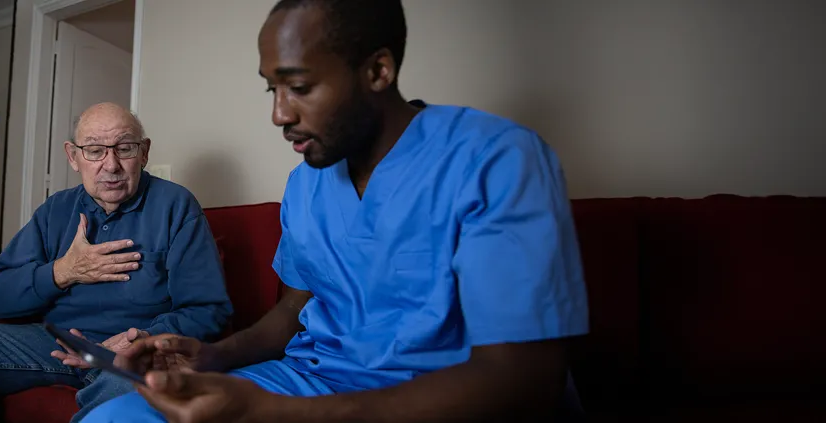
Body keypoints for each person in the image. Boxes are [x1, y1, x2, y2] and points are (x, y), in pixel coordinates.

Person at [81, 1, 589, 422]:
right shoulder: (307, 182)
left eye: (299, 87)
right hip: (311, 380)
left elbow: (523, 379)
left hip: (437, 399)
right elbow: (290, 312)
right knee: (113, 417)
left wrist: (274, 413)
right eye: (271, 89)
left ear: (377, 71)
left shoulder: (497, 160)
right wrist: (215, 355)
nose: (279, 114)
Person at [0, 103, 233, 423]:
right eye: (95, 150)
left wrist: (143, 340)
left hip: (131, 352)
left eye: (125, 148)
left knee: (130, 392)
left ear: (144, 152)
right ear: (74, 157)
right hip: (54, 343)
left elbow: (208, 310)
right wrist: (62, 272)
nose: (111, 164)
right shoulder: (56, 209)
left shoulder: (176, 206)